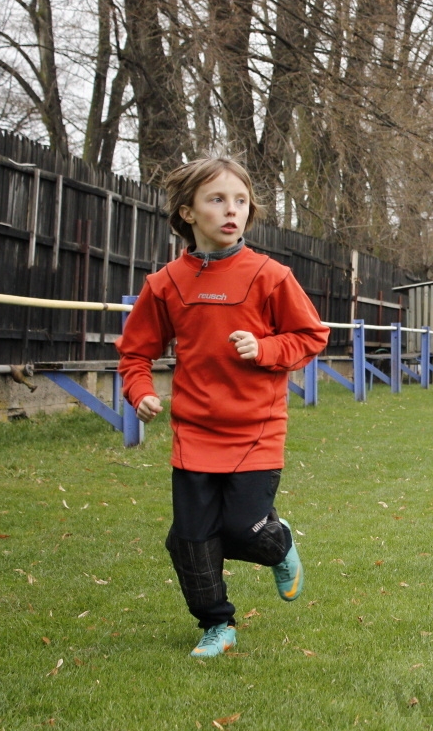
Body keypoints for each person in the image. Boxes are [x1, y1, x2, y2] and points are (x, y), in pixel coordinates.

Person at [117, 156, 330, 658]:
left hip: (256, 430)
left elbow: (311, 335)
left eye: (240, 200)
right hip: (193, 432)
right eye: (217, 199)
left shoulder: (270, 275)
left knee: (242, 530)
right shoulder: (165, 283)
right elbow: (135, 353)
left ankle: (278, 542)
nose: (232, 210)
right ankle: (217, 625)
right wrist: (140, 392)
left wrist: (265, 348)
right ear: (188, 212)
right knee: (190, 540)